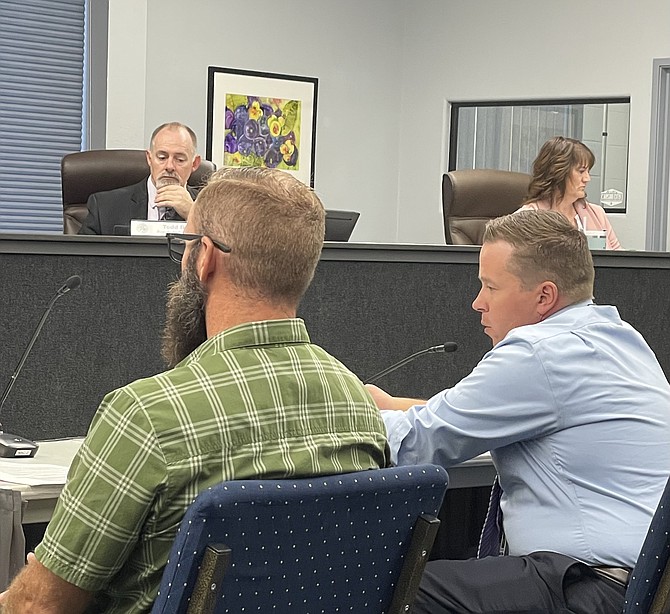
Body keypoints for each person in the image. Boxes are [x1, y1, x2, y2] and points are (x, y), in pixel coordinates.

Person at [1, 167, 390, 613]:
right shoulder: (356, 405)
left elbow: (39, 608)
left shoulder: (145, 415)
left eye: (183, 245)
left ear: (204, 257)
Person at [368, 210, 670, 614]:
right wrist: (394, 404)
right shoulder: (618, 337)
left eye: (490, 287)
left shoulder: (538, 351)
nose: (478, 303)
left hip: (591, 587)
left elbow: (415, 444)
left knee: (383, 588)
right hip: (645, 586)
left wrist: (333, 413)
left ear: (544, 296)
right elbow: (524, 412)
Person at [78, 122, 202, 235]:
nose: (169, 167)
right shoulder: (104, 207)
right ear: (149, 158)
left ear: (194, 164)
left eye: (179, 160)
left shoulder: (211, 208)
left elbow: (219, 254)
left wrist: (193, 215)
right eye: (162, 158)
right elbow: (80, 257)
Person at [518, 136, 622, 250]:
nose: (587, 178)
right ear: (558, 172)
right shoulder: (527, 218)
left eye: (588, 171)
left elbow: (619, 260)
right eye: (581, 171)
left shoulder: (597, 214)